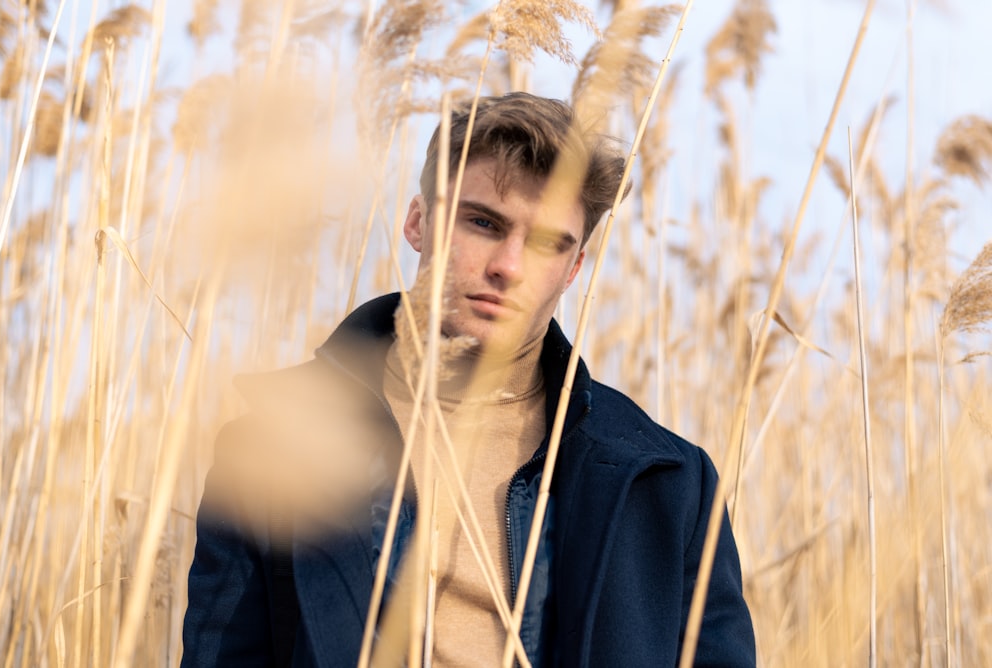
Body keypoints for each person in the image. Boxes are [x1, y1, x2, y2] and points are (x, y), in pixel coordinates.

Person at [182, 92, 756, 667]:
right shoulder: (276, 445)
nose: (508, 266)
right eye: (483, 222)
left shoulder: (667, 484)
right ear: (417, 222)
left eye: (545, 244)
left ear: (575, 266)